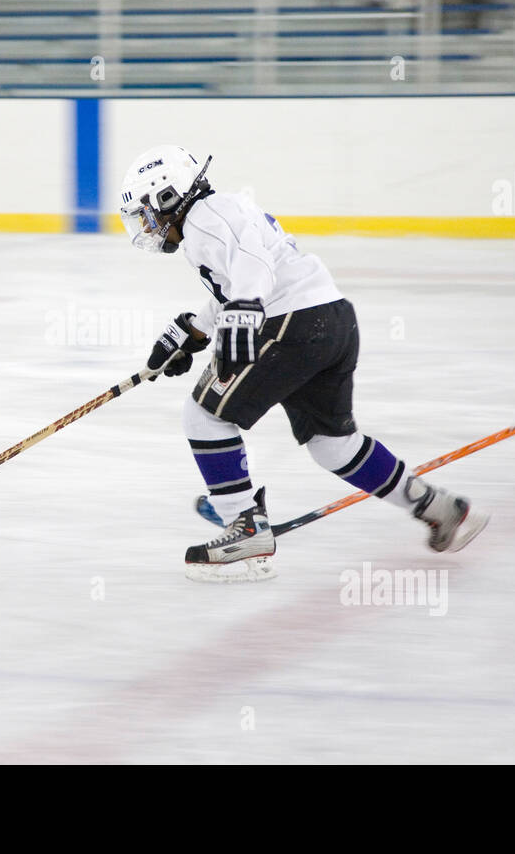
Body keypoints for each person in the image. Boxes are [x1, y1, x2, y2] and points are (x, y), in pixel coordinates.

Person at [119, 145, 489, 582]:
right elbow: (246, 275)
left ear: (168, 197)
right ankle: (439, 507)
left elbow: (253, 273)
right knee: (333, 445)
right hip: (329, 319)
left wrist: (241, 312)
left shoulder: (205, 217)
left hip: (290, 325)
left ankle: (244, 526)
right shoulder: (221, 215)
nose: (146, 225)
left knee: (203, 415)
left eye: (146, 212)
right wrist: (190, 330)